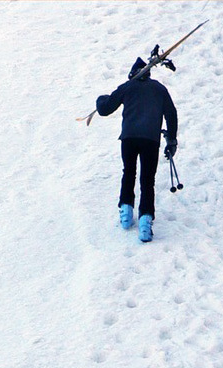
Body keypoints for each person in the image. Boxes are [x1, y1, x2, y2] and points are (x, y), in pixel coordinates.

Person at [96, 57, 178, 242]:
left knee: (129, 173)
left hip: (129, 138)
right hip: (150, 139)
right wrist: (171, 140)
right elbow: (171, 114)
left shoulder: (128, 86)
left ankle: (125, 213)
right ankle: (145, 223)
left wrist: (101, 98)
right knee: (148, 179)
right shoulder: (159, 89)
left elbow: (105, 109)